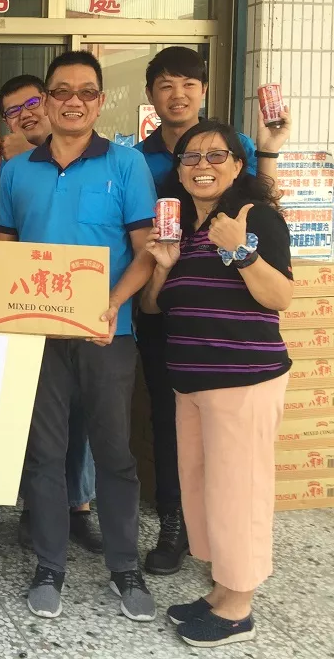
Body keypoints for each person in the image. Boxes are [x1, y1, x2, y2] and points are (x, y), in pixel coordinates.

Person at [0, 51, 158, 622]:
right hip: (37, 336)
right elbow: (4, 251)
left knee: (114, 453)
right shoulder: (18, 171)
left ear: (100, 101)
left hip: (108, 334)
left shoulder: (126, 164)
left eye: (86, 92)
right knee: (44, 454)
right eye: (61, 91)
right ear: (45, 100)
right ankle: (49, 565)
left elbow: (145, 253)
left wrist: (111, 305)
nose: (73, 102)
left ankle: (124, 567)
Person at [133, 47, 292, 575]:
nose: (202, 165)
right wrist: (160, 269)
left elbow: (278, 285)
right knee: (188, 455)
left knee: (236, 480)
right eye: (165, 84)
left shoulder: (247, 204)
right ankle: (188, 538)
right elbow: (154, 299)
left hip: (240, 369)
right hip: (182, 352)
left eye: (215, 158)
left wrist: (241, 247)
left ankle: (234, 592)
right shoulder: (145, 165)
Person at [0, 75, 101, 555]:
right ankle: (38, 507)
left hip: (88, 312)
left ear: (48, 103)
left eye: (32, 101)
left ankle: (80, 508)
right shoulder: (14, 169)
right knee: (37, 418)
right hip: (27, 310)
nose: (26, 113)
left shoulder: (108, 160)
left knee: (83, 417)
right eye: (14, 110)